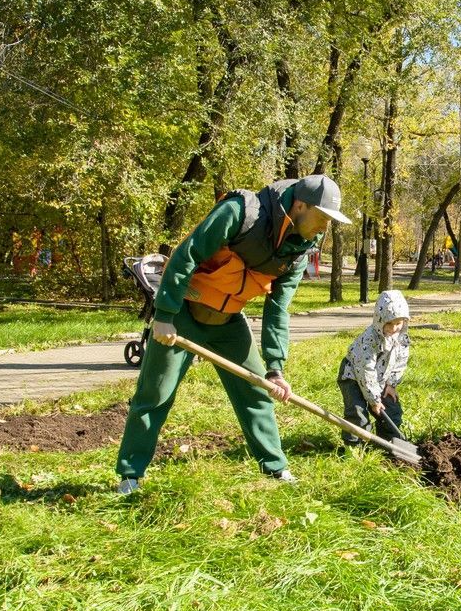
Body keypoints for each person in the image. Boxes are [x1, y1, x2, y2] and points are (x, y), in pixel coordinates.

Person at [114, 175, 351, 494]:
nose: (324, 228)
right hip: (184, 313)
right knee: (155, 393)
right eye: (322, 218)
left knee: (256, 391)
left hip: (227, 322)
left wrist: (276, 368)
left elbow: (278, 308)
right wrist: (165, 315)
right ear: (300, 205)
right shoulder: (241, 213)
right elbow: (187, 254)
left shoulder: (297, 252)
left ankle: (275, 468)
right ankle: (130, 475)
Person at [338, 290, 411, 446]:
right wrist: (374, 400)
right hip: (353, 376)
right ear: (379, 319)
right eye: (389, 323)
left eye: (398, 323)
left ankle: (389, 443)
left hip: (381, 378)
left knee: (391, 410)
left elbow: (401, 360)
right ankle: (354, 447)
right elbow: (365, 371)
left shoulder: (402, 337)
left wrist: (391, 384)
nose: (394, 328)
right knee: (358, 414)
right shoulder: (370, 339)